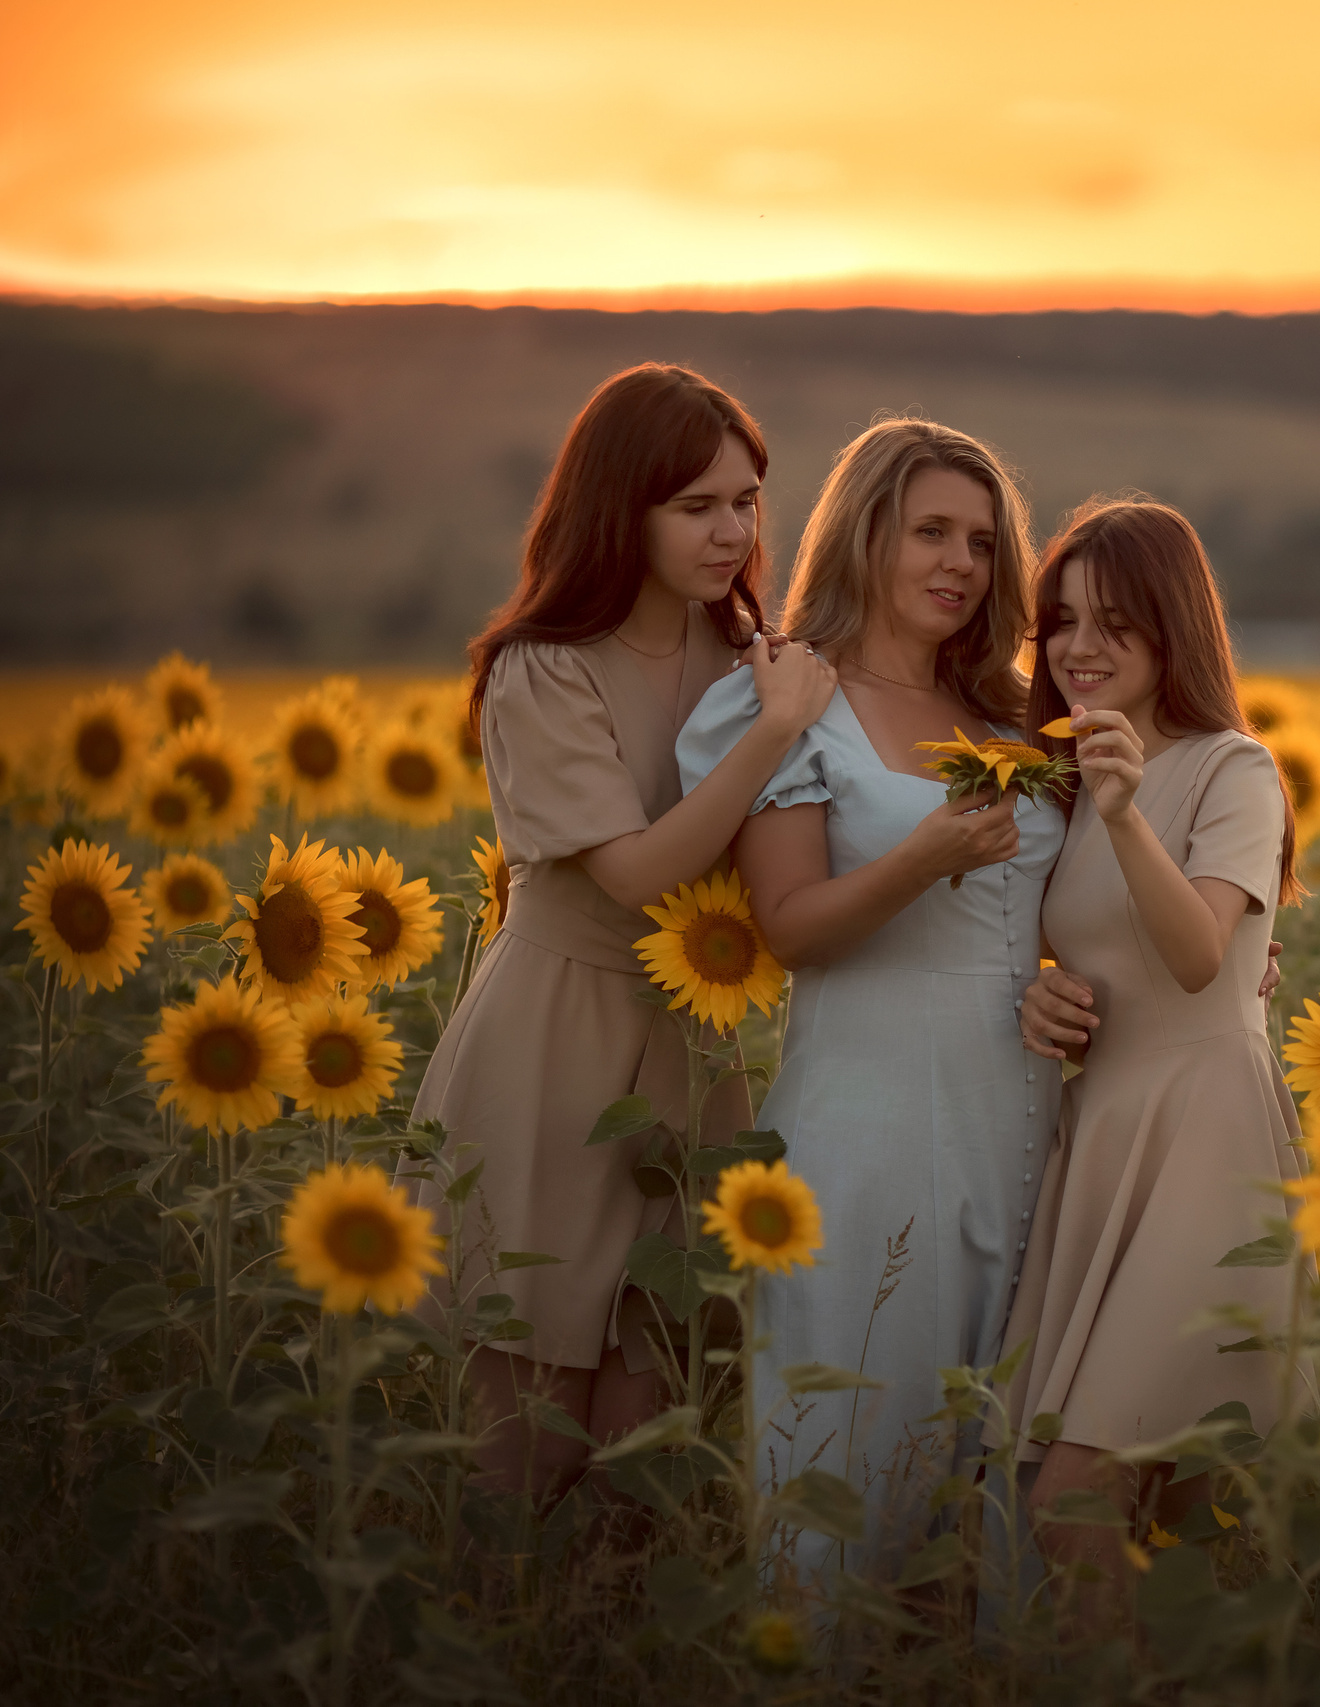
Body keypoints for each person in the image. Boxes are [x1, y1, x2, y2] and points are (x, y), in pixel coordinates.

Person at [417, 363, 837, 1507]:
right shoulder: (542, 668)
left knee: (652, 1439)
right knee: (530, 1441)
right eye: (696, 505)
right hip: (554, 1046)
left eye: (746, 501)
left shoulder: (751, 661)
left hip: (691, 1052)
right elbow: (639, 873)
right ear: (620, 508)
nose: (732, 531)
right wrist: (770, 735)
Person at [676, 418, 1059, 1578]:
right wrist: (920, 859)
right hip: (869, 1124)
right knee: (847, 1458)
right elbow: (792, 929)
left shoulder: (1012, 715)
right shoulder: (792, 701)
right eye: (930, 531)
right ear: (864, 533)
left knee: (999, 1462)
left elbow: (1060, 910)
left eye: (983, 543)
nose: (961, 564)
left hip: (1027, 1125)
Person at [1003, 497, 1305, 1594]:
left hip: (1207, 1140)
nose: (1079, 648)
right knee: (1163, 1522)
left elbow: (1194, 956)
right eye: (1062, 620)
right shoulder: (1069, 778)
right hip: (1108, 1132)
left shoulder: (1234, 769)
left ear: (1173, 627)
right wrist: (1040, 996)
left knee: (1077, 1503)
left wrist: (1128, 812)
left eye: (1115, 623)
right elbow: (1088, 952)